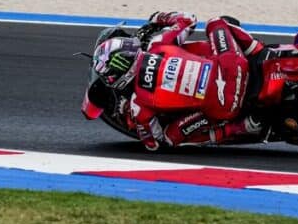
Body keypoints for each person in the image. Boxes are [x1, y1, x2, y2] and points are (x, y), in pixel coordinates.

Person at [85, 12, 266, 150]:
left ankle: (240, 128)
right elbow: (188, 19)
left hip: (225, 106)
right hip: (234, 66)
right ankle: (258, 51)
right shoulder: (158, 44)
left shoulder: (138, 105)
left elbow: (153, 143)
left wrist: (137, 122)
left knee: (170, 138)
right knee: (216, 22)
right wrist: (158, 18)